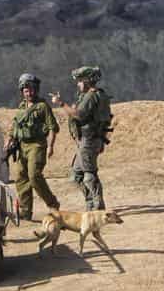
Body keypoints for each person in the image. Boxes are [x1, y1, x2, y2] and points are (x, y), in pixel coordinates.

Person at [51, 66, 111, 211]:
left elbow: (78, 114)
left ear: (87, 81)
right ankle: (90, 202)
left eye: (80, 81)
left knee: (89, 174)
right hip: (88, 140)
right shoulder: (91, 95)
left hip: (88, 140)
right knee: (77, 175)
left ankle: (98, 206)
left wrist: (60, 103)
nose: (78, 84)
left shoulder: (91, 96)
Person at [9, 73, 60, 222]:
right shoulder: (22, 107)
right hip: (22, 146)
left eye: (31, 90)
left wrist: (51, 146)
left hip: (37, 145)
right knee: (21, 177)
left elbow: (52, 128)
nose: (29, 93)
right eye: (26, 90)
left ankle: (53, 204)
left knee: (34, 176)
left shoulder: (43, 107)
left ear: (36, 90)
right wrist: (10, 140)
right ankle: (25, 211)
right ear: (22, 92)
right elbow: (15, 126)